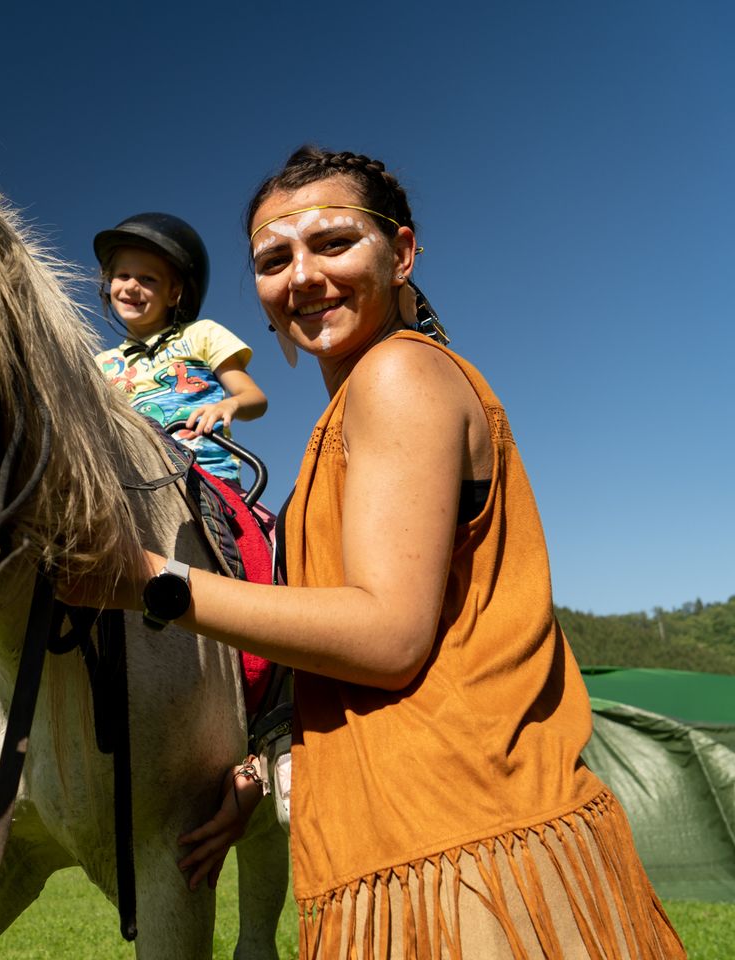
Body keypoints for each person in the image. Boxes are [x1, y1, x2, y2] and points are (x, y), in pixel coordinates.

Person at [68, 148, 684, 958]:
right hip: (404, 856)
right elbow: (334, 650)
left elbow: (388, 637)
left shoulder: (397, 376)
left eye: (333, 244)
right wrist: (256, 769)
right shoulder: (349, 413)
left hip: (468, 867)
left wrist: (146, 581)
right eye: (274, 259)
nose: (303, 276)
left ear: (401, 252)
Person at [92, 212, 268, 485]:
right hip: (136, 482)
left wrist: (229, 405)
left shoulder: (201, 334)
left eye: (148, 279)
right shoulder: (100, 364)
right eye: (123, 275)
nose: (132, 286)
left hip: (210, 477)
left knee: (262, 528)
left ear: (175, 293)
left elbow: (255, 399)